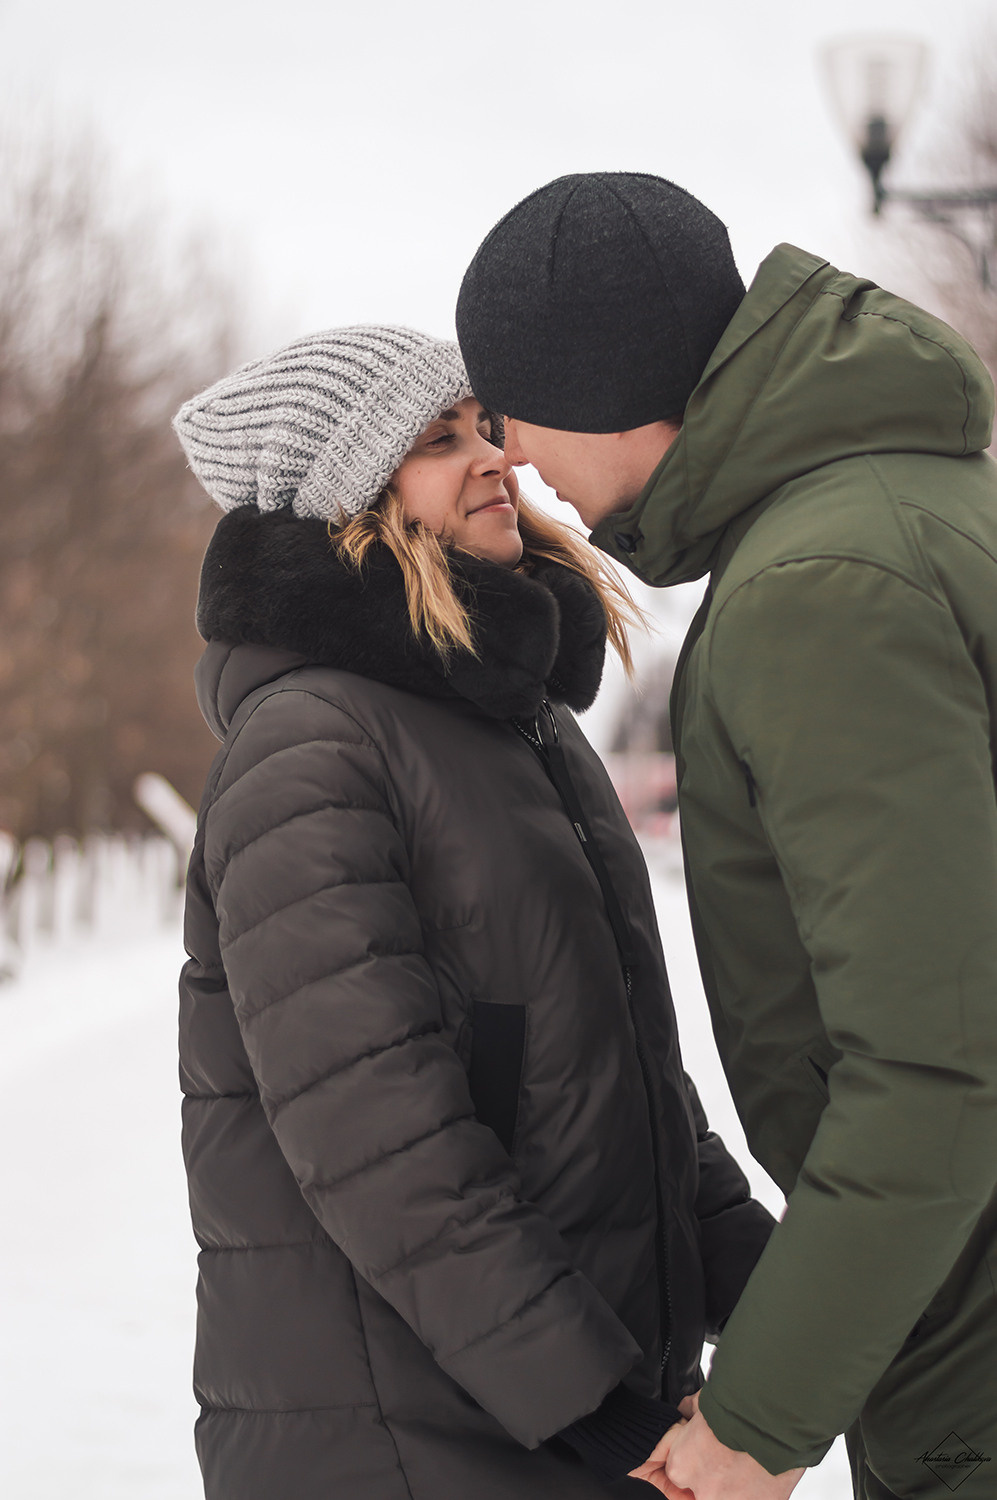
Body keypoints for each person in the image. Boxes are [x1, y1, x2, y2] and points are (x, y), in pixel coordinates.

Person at [456, 171, 997, 1500]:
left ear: (604, 384)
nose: (509, 457)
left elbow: (934, 1067)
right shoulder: (898, 513)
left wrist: (759, 1423)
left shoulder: (819, 586)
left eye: (510, 409)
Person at [172, 325, 774, 1500]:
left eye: (482, 426)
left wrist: (780, 1299)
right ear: (347, 501)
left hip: (527, 1411)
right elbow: (378, 1139)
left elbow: (621, 1077)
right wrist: (592, 1406)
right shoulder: (313, 744)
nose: (493, 457)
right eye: (438, 442)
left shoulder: (519, 724)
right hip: (407, 1438)